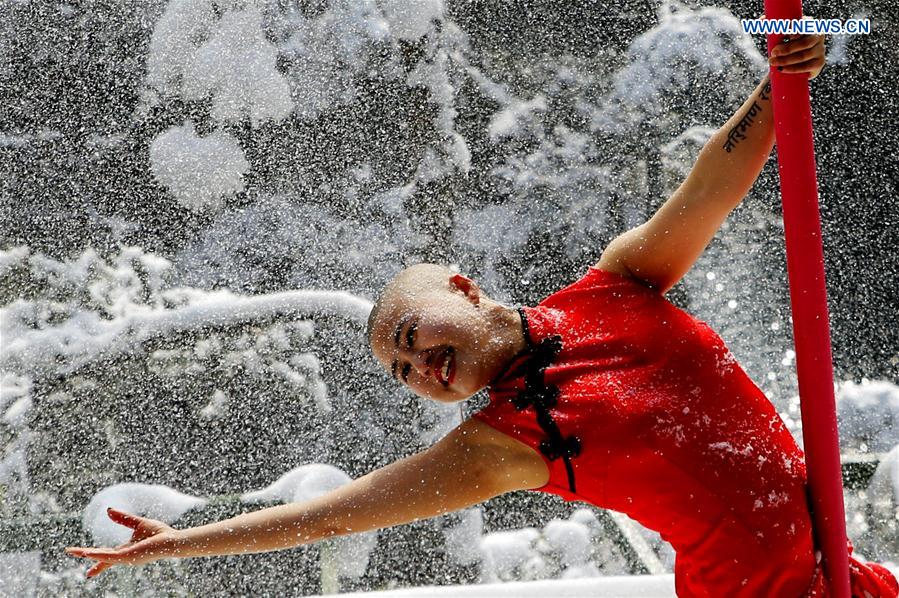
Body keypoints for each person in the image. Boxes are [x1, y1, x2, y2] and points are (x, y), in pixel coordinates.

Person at [66, 34, 898, 597]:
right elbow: (331, 513)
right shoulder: (504, 443)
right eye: (400, 373)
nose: (414, 367)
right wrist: (181, 544)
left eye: (407, 337)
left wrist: (784, 76)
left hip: (845, 580)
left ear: (462, 288)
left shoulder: (618, 284)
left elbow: (711, 183)